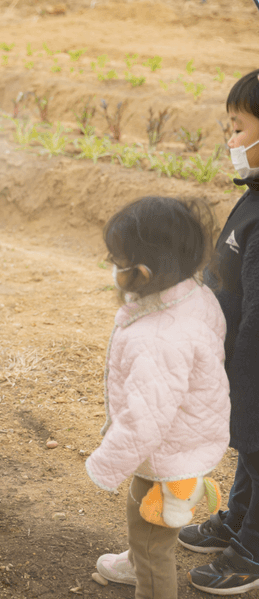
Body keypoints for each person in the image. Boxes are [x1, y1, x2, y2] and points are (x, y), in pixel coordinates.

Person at [85, 197, 230, 599]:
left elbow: (143, 422)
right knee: (143, 514)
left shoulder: (158, 338)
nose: (112, 266)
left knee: (153, 545)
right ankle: (135, 562)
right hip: (184, 441)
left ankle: (146, 578)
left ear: (143, 273)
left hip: (168, 455)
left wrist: (104, 465)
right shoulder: (193, 294)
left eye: (117, 260)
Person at [178, 69, 259, 595]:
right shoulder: (253, 196)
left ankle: (252, 551)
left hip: (255, 365)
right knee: (251, 454)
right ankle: (239, 520)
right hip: (241, 362)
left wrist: (243, 384)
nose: (230, 141)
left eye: (238, 128)